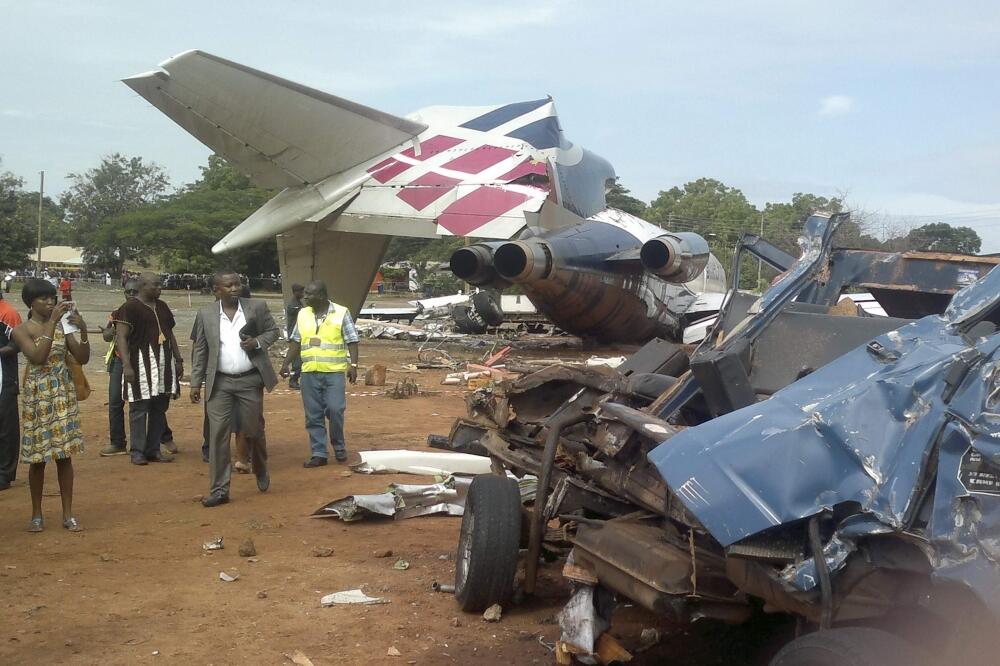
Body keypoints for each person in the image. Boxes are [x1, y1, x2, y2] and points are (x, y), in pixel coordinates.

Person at [191, 271, 279, 507]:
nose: (234, 288)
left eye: (237, 284)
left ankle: (260, 467)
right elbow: (201, 351)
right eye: (228, 285)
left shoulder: (256, 307)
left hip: (250, 380)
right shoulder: (206, 314)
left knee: (253, 429)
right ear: (216, 291)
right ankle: (219, 489)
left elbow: (273, 331)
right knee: (218, 434)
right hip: (219, 383)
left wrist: (257, 342)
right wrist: (195, 382)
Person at [11, 279, 89, 531]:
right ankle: (37, 514)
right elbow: (37, 357)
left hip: (62, 393)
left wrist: (83, 331)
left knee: (65, 457)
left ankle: (68, 514)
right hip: (38, 396)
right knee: (38, 459)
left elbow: (82, 357)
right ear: (31, 302)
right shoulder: (21, 330)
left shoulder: (63, 327)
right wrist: (53, 324)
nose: (50, 303)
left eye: (52, 298)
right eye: (44, 299)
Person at [280, 281, 359, 467]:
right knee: (313, 414)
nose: (304, 297)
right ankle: (319, 453)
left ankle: (338, 445)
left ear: (322, 296)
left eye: (309, 294)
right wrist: (285, 363)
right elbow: (296, 341)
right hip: (309, 373)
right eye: (305, 294)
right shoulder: (303, 314)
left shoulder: (341, 312)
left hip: (333, 373)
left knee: (335, 409)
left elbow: (352, 340)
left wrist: (353, 364)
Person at [114, 272, 182, 466]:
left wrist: (178, 359)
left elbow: (170, 334)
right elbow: (121, 338)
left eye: (160, 286)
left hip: (163, 363)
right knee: (139, 407)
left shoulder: (162, 307)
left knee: (159, 407)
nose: (159, 289)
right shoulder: (129, 308)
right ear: (143, 285)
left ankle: (153, 449)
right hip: (140, 363)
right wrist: (126, 365)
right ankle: (137, 451)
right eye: (156, 285)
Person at [0, 289, 22, 490]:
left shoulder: (8, 313)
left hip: (5, 379)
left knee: (6, 427)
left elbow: (16, 344)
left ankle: (5, 473)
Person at [284, 283, 305, 390]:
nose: (302, 294)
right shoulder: (294, 305)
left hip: (298, 334)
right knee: (296, 360)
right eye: (300, 292)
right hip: (294, 335)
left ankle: (295, 379)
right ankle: (293, 380)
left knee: (299, 359)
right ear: (295, 292)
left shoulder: (297, 303)